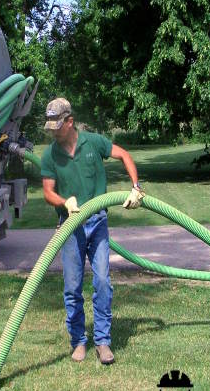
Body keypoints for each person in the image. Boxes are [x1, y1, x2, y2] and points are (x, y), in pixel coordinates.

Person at [40, 98, 145, 365]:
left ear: (70, 122)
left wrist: (136, 187)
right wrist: (64, 202)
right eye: (50, 126)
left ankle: (102, 341)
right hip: (70, 225)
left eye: (57, 125)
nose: (52, 131)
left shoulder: (93, 143)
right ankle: (78, 342)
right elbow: (47, 192)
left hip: (97, 221)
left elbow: (125, 155)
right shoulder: (50, 154)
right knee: (73, 287)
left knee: (102, 282)